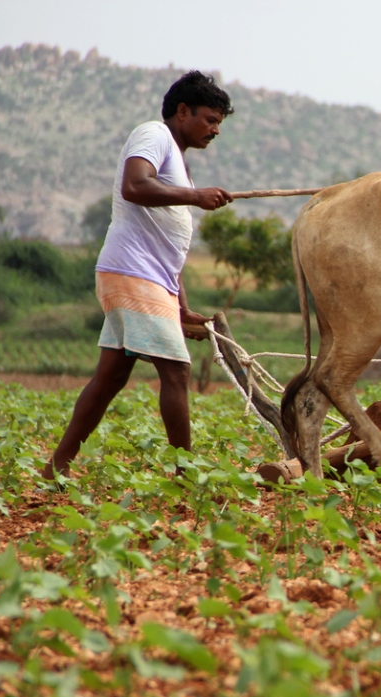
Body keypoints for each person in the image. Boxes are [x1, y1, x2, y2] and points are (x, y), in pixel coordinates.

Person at [42, 71, 235, 479]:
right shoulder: (154, 135)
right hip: (132, 273)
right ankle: (184, 475)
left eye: (220, 123)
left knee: (110, 378)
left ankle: (55, 468)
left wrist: (180, 307)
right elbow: (134, 186)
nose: (216, 130)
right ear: (182, 111)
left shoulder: (178, 161)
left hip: (145, 276)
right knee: (177, 371)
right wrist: (196, 197)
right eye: (210, 119)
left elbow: (168, 245)